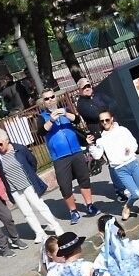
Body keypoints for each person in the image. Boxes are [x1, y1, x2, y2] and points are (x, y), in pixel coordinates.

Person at [0, 130, 62, 245]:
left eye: (0, 144)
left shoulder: (20, 149)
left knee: (40, 206)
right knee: (26, 213)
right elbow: (1, 173)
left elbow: (32, 161)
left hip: (28, 184)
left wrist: (31, 174)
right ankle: (39, 233)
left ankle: (56, 226)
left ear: (7, 141)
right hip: (14, 189)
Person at [38, 89, 97, 224]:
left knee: (84, 179)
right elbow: (41, 131)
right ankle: (73, 212)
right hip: (60, 157)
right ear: (44, 102)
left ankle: (89, 205)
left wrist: (65, 113)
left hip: (76, 151)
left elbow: (76, 120)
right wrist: (52, 120)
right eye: (46, 99)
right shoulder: (42, 117)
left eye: (52, 97)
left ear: (56, 98)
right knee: (65, 186)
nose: (50, 100)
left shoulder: (65, 110)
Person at [92, 111, 139, 227]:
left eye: (107, 120)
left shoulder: (122, 130)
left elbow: (133, 143)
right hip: (120, 169)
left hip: (133, 163)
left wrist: (130, 149)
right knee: (135, 194)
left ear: (112, 119)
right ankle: (127, 206)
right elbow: (97, 155)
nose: (105, 123)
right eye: (102, 121)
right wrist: (90, 145)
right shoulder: (101, 139)